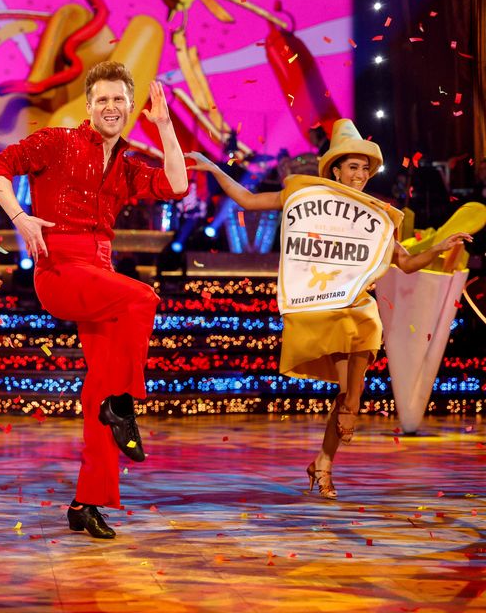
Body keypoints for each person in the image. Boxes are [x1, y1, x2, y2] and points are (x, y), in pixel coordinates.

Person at [186, 119, 471, 499]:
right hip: (323, 306)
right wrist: (214, 167)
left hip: (357, 306)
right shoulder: (307, 198)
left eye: (365, 169)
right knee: (347, 389)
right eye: (353, 166)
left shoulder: (377, 215)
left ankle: (323, 462)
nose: (360, 174)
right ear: (335, 169)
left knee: (360, 354)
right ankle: (335, 436)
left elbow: (405, 263)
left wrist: (438, 248)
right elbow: (249, 200)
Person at [0, 61, 189, 539]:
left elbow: (176, 185)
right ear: (89, 105)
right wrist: (20, 217)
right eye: (103, 100)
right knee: (143, 299)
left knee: (98, 390)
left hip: (101, 275)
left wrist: (165, 126)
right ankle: (125, 401)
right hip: (60, 271)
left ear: (130, 107)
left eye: (120, 100)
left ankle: (87, 502)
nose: (111, 107)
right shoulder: (56, 141)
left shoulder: (127, 164)